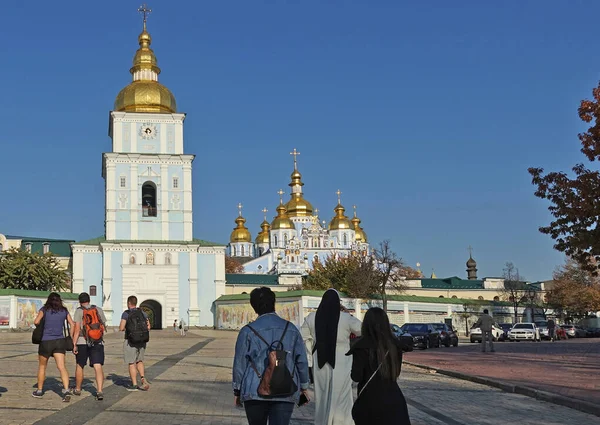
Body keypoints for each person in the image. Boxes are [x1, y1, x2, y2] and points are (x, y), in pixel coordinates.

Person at [233, 287, 310, 425]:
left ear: (254, 307)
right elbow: (301, 361)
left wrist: (237, 390)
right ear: (274, 303)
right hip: (285, 389)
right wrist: (304, 386)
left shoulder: (247, 331)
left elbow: (240, 364)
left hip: (254, 390)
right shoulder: (291, 329)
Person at [301, 289, 362, 425]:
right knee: (342, 395)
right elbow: (362, 329)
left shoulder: (312, 317)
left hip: (320, 361)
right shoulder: (346, 318)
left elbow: (303, 337)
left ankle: (323, 421)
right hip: (342, 361)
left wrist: (313, 349)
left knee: (322, 395)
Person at [347, 307, 411, 425]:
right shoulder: (395, 345)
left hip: (369, 401)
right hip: (394, 400)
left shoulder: (361, 346)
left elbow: (356, 376)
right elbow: (396, 373)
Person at [32, 292, 75, 402]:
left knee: (42, 366)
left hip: (46, 341)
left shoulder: (44, 309)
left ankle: (39, 390)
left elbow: (36, 321)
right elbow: (72, 324)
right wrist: (70, 334)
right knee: (61, 367)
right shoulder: (64, 311)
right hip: (59, 341)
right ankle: (66, 390)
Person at [71, 292, 107, 400]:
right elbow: (104, 326)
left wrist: (74, 344)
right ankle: (99, 390)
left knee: (80, 364)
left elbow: (77, 329)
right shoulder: (98, 309)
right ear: (89, 300)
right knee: (97, 365)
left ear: (80, 301)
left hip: (82, 341)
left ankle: (78, 389)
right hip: (97, 341)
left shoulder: (79, 311)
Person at [119, 295, 150, 391]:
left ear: (129, 303)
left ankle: (134, 384)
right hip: (142, 341)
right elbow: (148, 327)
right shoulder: (143, 313)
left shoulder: (126, 313)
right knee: (139, 361)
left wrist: (127, 328)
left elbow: (121, 328)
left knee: (131, 362)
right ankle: (142, 378)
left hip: (130, 341)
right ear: (136, 303)